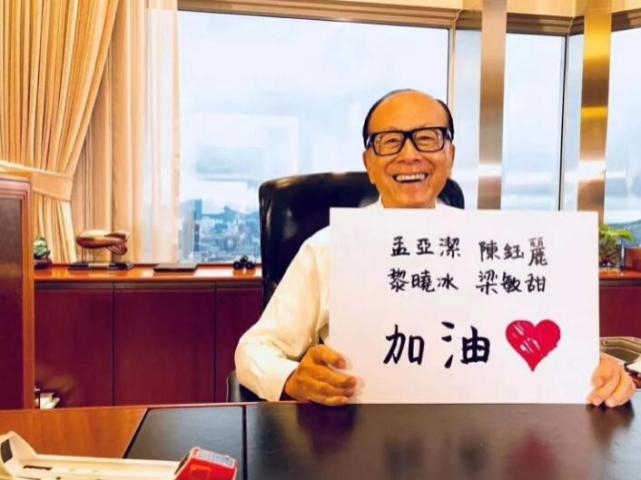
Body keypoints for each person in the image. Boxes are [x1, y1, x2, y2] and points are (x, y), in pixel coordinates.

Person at [235, 89, 636, 407]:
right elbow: (256, 348)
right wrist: (292, 378)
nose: (410, 155)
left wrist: (588, 370)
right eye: (390, 142)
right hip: (359, 436)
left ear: (450, 155)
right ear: (369, 162)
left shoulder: (494, 246)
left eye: (427, 138)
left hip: (475, 439)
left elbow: (533, 340)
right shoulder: (328, 248)